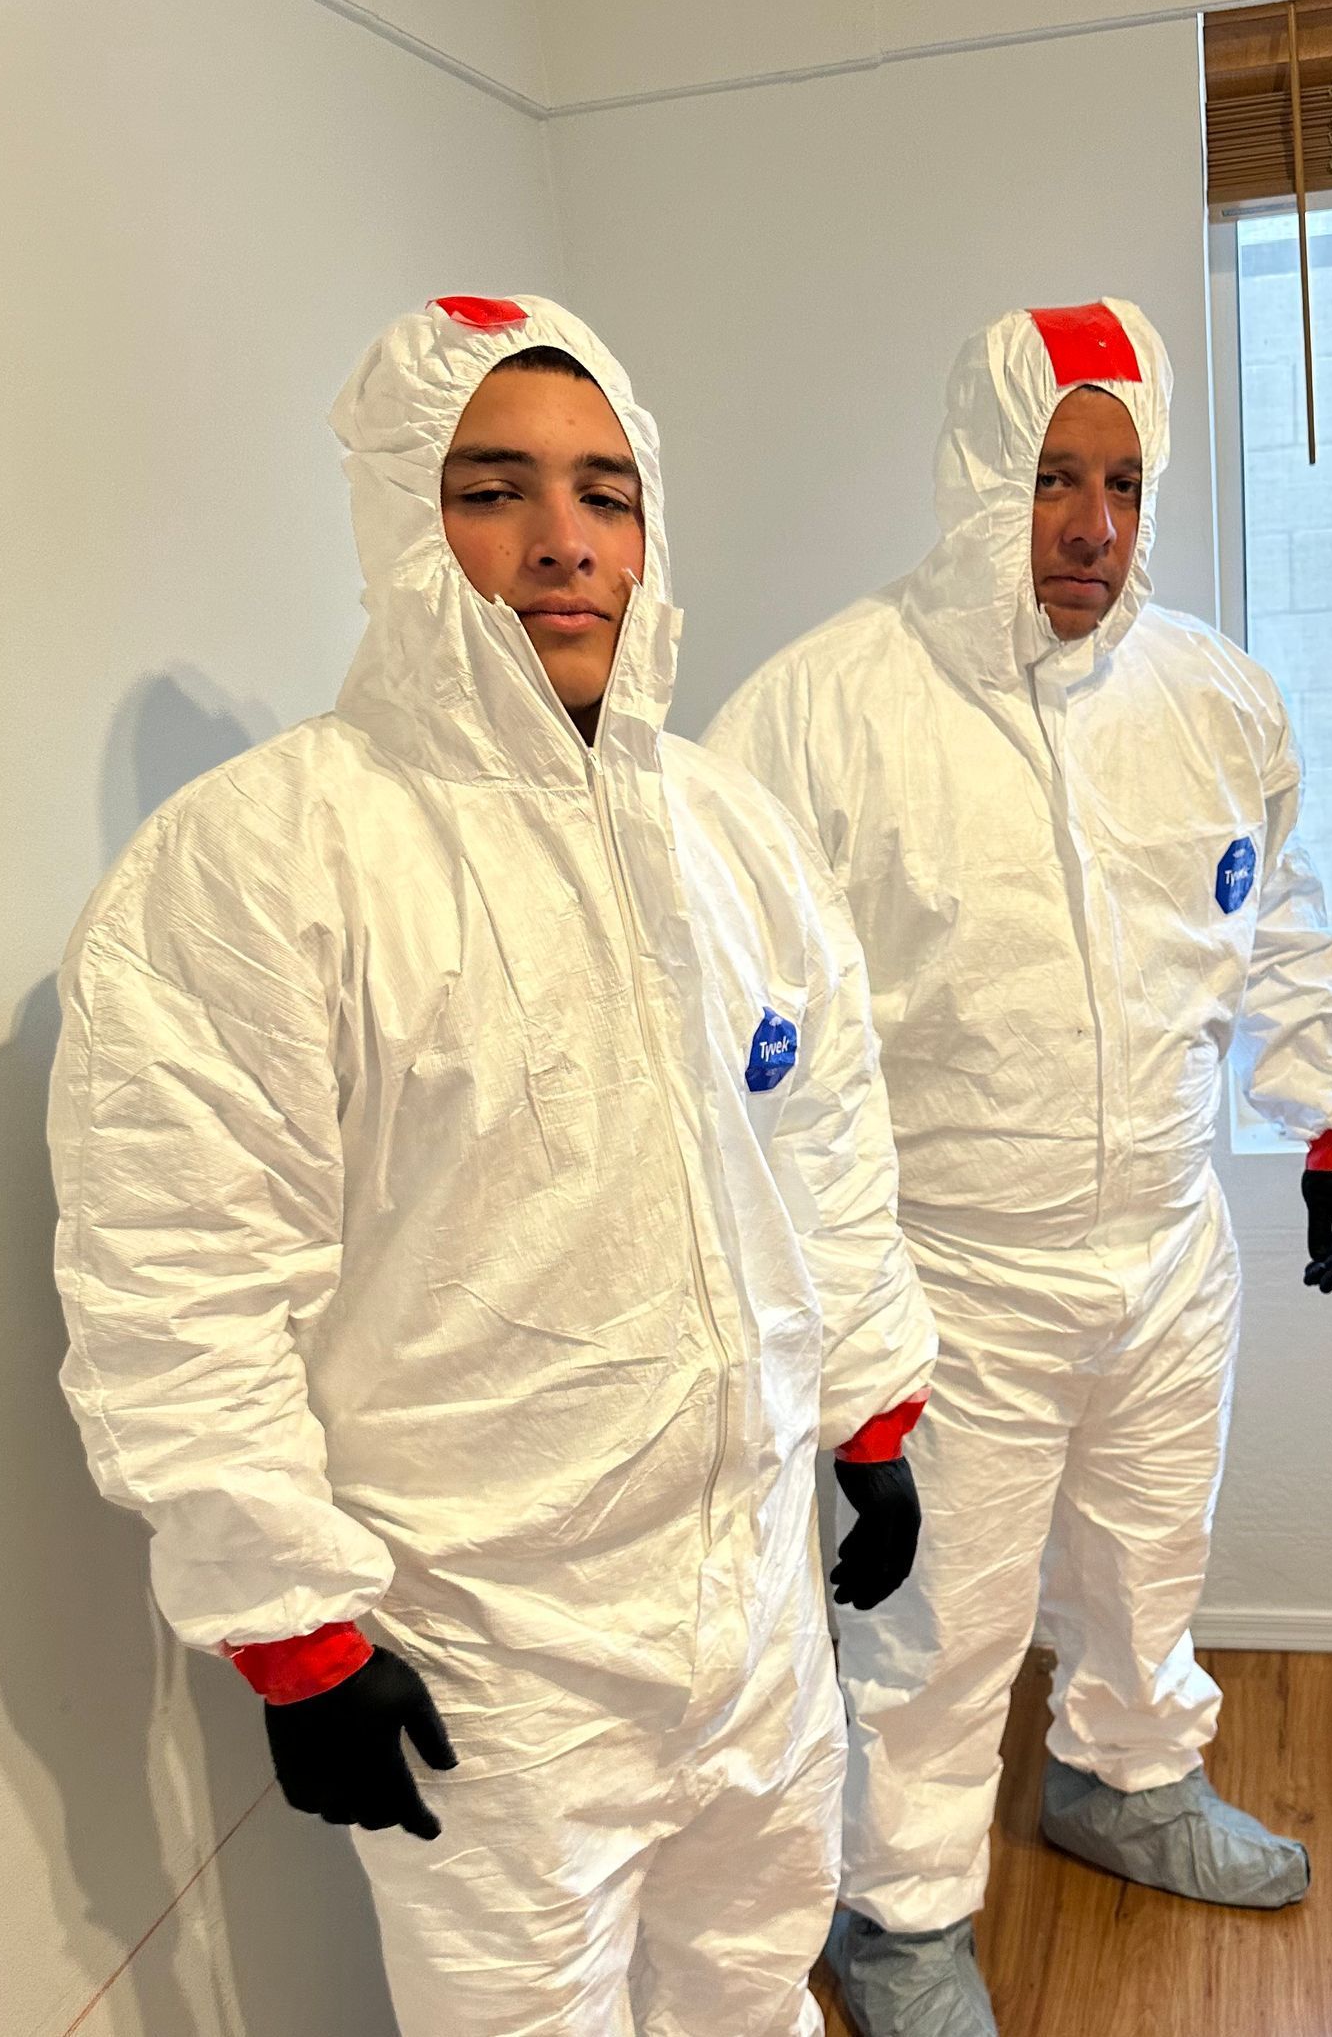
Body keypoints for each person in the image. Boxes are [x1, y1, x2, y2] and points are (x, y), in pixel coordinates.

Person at [49, 294, 937, 2037]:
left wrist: (876, 1408)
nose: (563, 544)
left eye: (606, 495)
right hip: (490, 1659)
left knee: (755, 1982)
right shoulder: (260, 863)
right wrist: (290, 1624)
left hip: (752, 1606)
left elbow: (825, 1145)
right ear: (403, 523)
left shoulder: (731, 836)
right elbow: (180, 1281)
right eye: (493, 491)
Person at [706, 297, 1332, 2035]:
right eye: (1053, 476)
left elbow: (1275, 908)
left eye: (1126, 482)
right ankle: (902, 1912)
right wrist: (823, 1335)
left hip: (1165, 1230)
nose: (1092, 526)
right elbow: (742, 1038)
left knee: (1150, 1548)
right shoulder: (818, 715)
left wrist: (1324, 1114)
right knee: (939, 1621)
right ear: (976, 475)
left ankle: (1125, 1776)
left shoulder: (1211, 698)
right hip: (954, 1267)